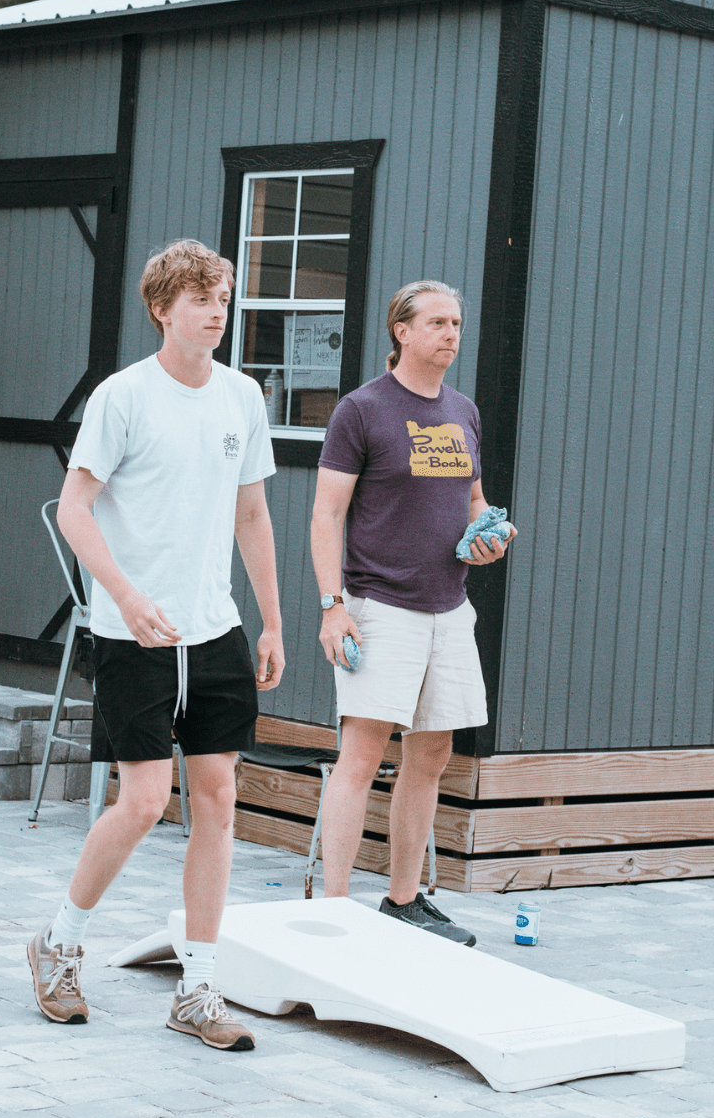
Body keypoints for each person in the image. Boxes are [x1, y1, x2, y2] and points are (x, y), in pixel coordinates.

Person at [28, 239, 284, 1050]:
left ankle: (198, 988)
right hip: (132, 632)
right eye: (202, 298)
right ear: (163, 308)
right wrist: (128, 597)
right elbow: (74, 510)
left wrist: (272, 620)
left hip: (214, 631)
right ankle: (58, 942)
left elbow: (252, 516)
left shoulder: (243, 397)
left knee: (216, 801)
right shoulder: (123, 397)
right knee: (141, 804)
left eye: (224, 298)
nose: (217, 312)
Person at [310, 280, 516, 943]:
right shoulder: (362, 410)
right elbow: (326, 513)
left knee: (431, 757)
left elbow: (473, 497)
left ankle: (404, 900)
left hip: (450, 610)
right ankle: (332, 907)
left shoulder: (463, 411)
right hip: (381, 607)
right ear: (401, 330)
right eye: (436, 322)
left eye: (456, 322)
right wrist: (331, 607)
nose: (451, 334)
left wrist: (492, 531)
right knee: (361, 758)